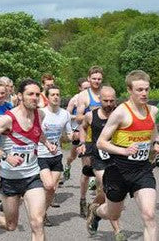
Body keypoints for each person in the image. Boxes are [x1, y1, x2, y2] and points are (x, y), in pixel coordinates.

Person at [0, 78, 57, 240]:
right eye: (30, 94)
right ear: (20, 96)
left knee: (37, 222)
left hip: (32, 176)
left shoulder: (40, 114)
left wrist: (47, 143)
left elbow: (38, 133)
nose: (34, 97)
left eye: (37, 94)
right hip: (10, 179)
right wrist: (6, 156)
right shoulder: (8, 119)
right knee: (11, 225)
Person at [87, 70, 159, 241]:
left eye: (146, 89)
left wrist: (156, 143)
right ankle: (95, 211)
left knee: (149, 215)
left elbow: (152, 132)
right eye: (139, 90)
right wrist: (123, 151)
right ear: (129, 90)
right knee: (112, 213)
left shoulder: (153, 110)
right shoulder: (121, 112)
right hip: (118, 171)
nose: (144, 93)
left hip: (142, 170)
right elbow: (101, 142)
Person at [78, 86, 126, 241]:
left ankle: (94, 210)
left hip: (118, 158)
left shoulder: (120, 114)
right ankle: (118, 230)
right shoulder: (91, 116)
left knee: (107, 194)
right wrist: (83, 142)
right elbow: (83, 128)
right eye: (106, 100)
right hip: (99, 159)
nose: (109, 103)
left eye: (112, 100)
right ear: (99, 99)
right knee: (109, 189)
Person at [38, 85, 72, 226]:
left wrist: (75, 139)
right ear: (47, 97)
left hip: (56, 155)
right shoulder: (41, 113)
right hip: (41, 154)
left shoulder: (65, 114)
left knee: (51, 189)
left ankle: (42, 214)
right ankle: (38, 212)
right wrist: (47, 144)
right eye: (52, 95)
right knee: (49, 184)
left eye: (58, 94)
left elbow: (68, 133)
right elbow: (37, 134)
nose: (56, 97)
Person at [76, 66, 104, 216]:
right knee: (87, 172)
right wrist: (93, 115)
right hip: (87, 137)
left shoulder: (105, 93)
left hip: (104, 137)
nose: (96, 81)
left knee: (103, 171)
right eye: (94, 78)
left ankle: (98, 203)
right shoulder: (84, 96)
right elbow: (79, 117)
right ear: (89, 79)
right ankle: (82, 199)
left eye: (99, 79)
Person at [64, 78, 90, 181]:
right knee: (72, 156)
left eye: (89, 87)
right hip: (77, 131)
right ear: (79, 88)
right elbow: (66, 115)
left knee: (87, 155)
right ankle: (67, 165)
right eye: (85, 88)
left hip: (89, 131)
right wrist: (77, 117)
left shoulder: (93, 98)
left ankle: (90, 178)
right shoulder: (75, 99)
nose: (87, 90)